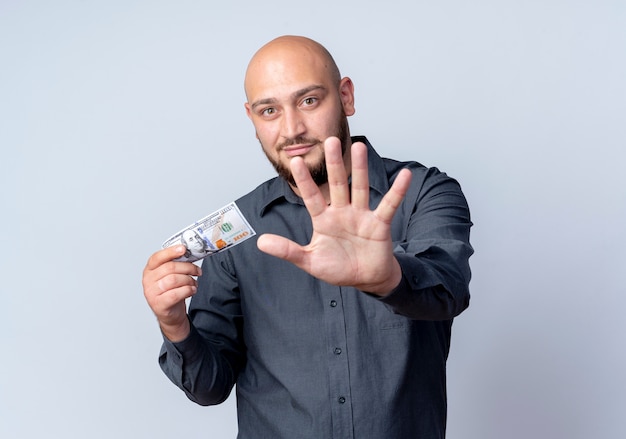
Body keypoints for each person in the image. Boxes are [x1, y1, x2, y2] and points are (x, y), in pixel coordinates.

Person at [143, 35, 473, 438]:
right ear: (253, 120)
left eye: (309, 101)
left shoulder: (423, 192)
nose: (292, 129)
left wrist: (386, 278)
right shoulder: (235, 233)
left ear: (346, 97)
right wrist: (174, 324)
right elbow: (210, 387)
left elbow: (449, 291)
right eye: (269, 110)